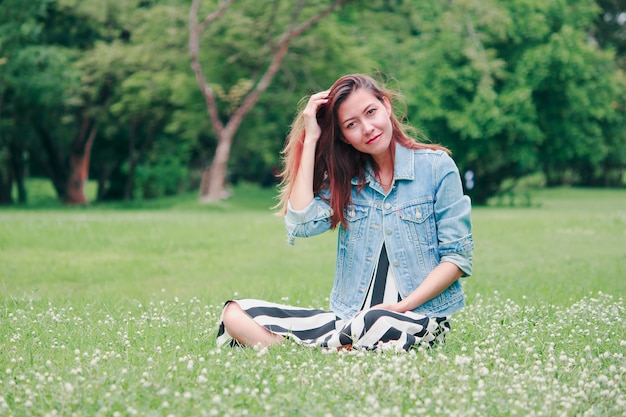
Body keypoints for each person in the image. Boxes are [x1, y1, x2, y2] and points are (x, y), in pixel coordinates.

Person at [217, 74, 473, 351]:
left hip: (416, 320)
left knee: (376, 320)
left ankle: (311, 351)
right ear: (344, 137)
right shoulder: (348, 180)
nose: (367, 128)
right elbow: (302, 222)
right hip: (349, 321)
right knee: (235, 313)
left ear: (386, 105)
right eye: (351, 125)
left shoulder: (437, 167)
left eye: (371, 112)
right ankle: (328, 351)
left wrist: (402, 306)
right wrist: (312, 137)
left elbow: (457, 258)